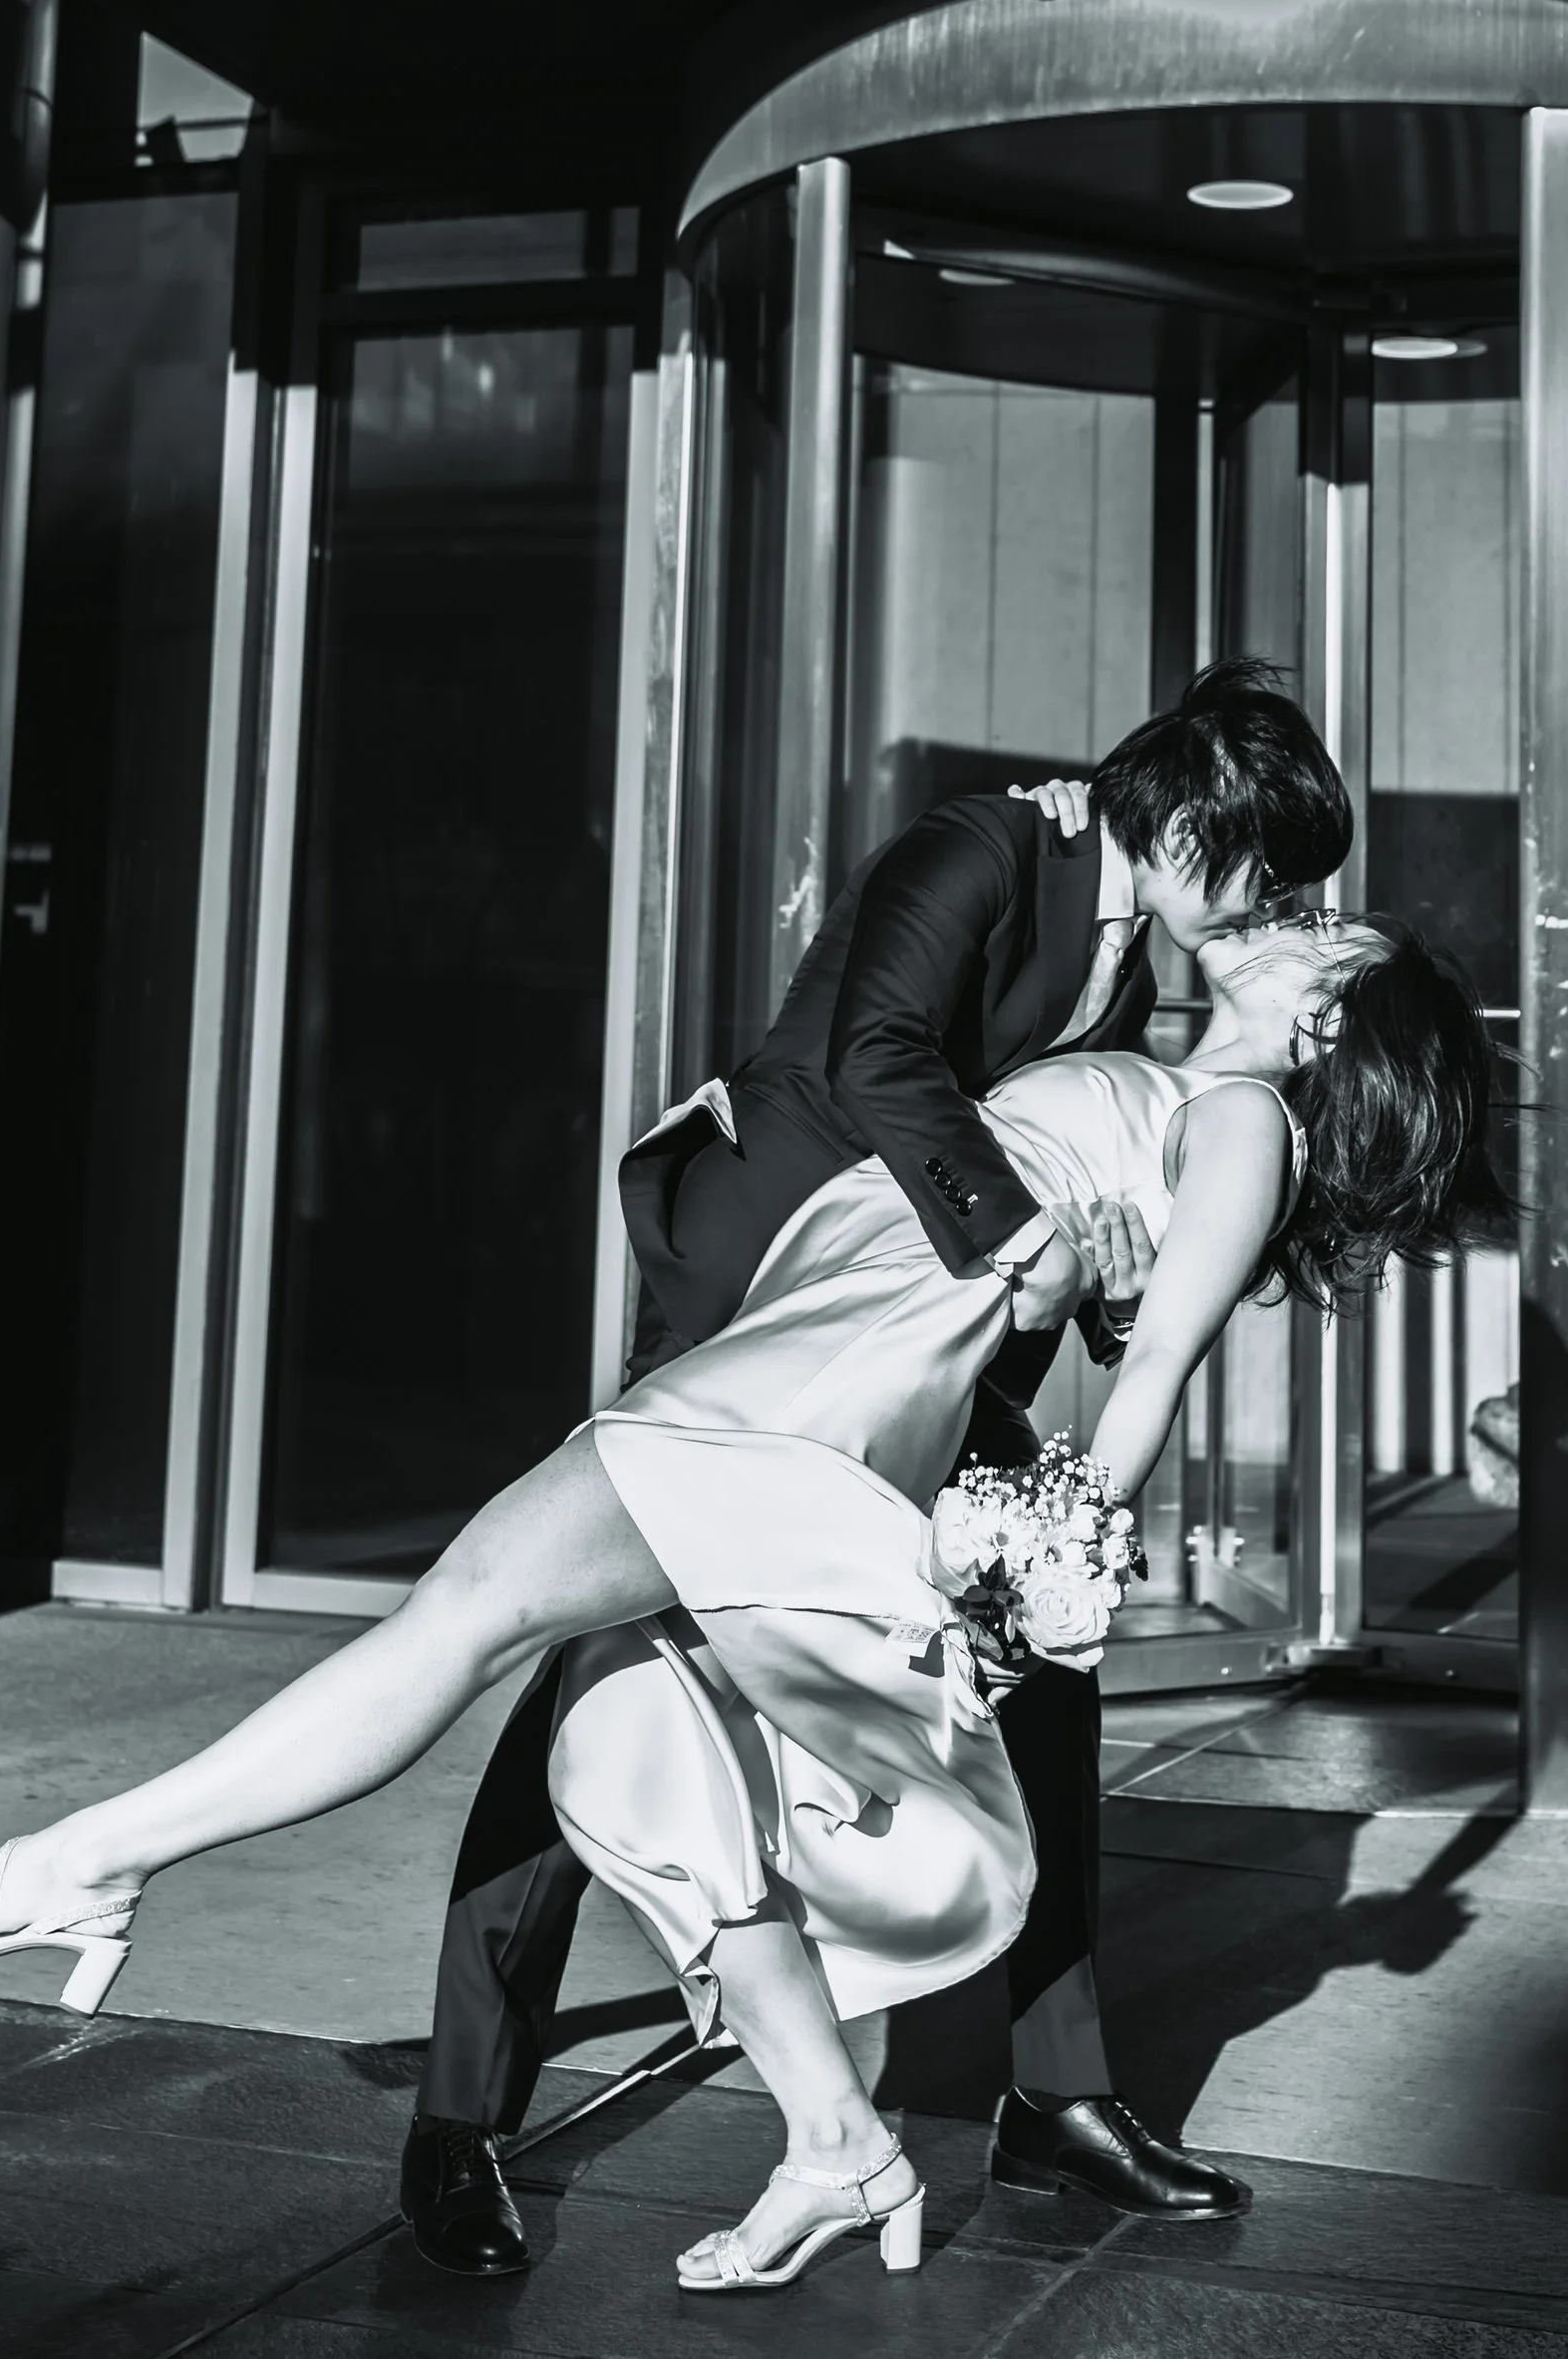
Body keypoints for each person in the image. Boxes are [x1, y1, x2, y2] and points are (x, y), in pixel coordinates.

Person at [0, 904, 1495, 2292]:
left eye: (1321, 926)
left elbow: (1151, 1377)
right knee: (637, 1759)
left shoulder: (1248, 1116)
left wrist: (1052, 1555)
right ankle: (838, 2137)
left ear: (1333, 1006)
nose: (1289, 914)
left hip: (829, 1380)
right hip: (818, 1347)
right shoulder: (1180, 1075)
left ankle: (89, 1861)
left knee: (471, 1606)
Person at [403, 655, 1353, 2271]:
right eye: (1268, 869)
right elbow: (878, 1056)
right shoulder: (982, 843)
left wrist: (1113, 1272)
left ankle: (1058, 2090)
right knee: (603, 1652)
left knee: (1042, 1642)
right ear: (1199, 814)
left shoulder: (1129, 970)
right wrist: (1037, 1235)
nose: (1272, 907)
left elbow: (1075, 1158)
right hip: (771, 1290)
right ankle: (457, 2113)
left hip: (932, 1336)